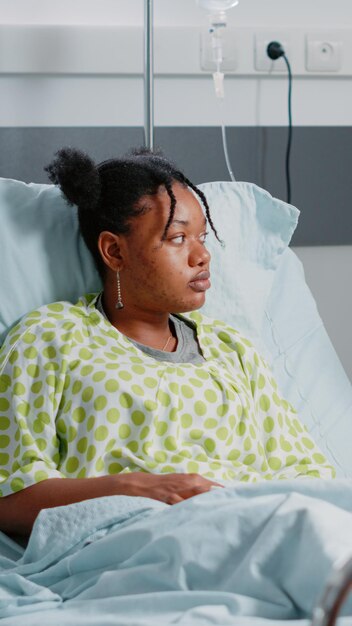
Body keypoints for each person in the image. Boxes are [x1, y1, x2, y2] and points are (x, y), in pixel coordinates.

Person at [0, 147, 335, 536]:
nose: (202, 255)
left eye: (202, 237)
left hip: (257, 528)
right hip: (139, 538)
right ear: (114, 251)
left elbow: (308, 475)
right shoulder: (52, 337)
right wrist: (136, 488)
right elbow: (10, 494)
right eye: (178, 238)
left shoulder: (234, 350)